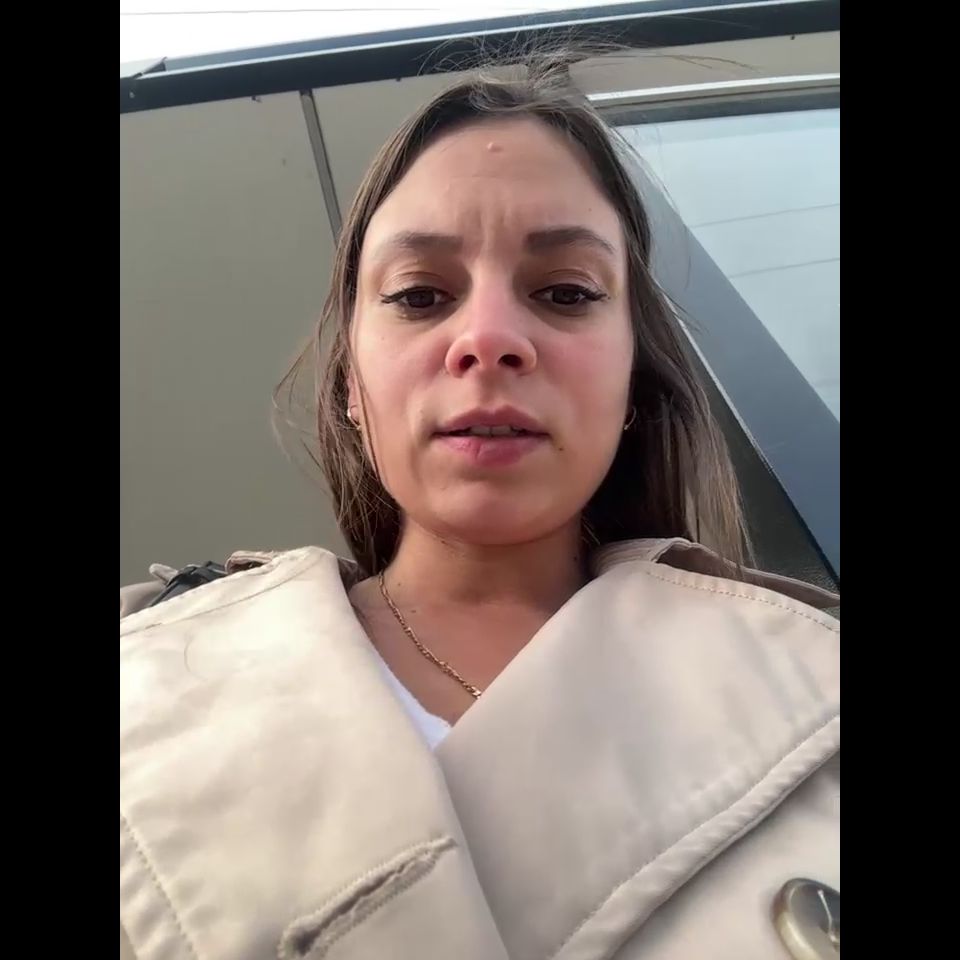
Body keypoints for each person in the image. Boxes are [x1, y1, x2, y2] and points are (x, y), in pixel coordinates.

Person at [120, 55, 839, 960]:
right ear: (351, 386)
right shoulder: (148, 683)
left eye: (566, 293)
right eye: (420, 295)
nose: (490, 338)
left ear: (631, 376)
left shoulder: (815, 689)